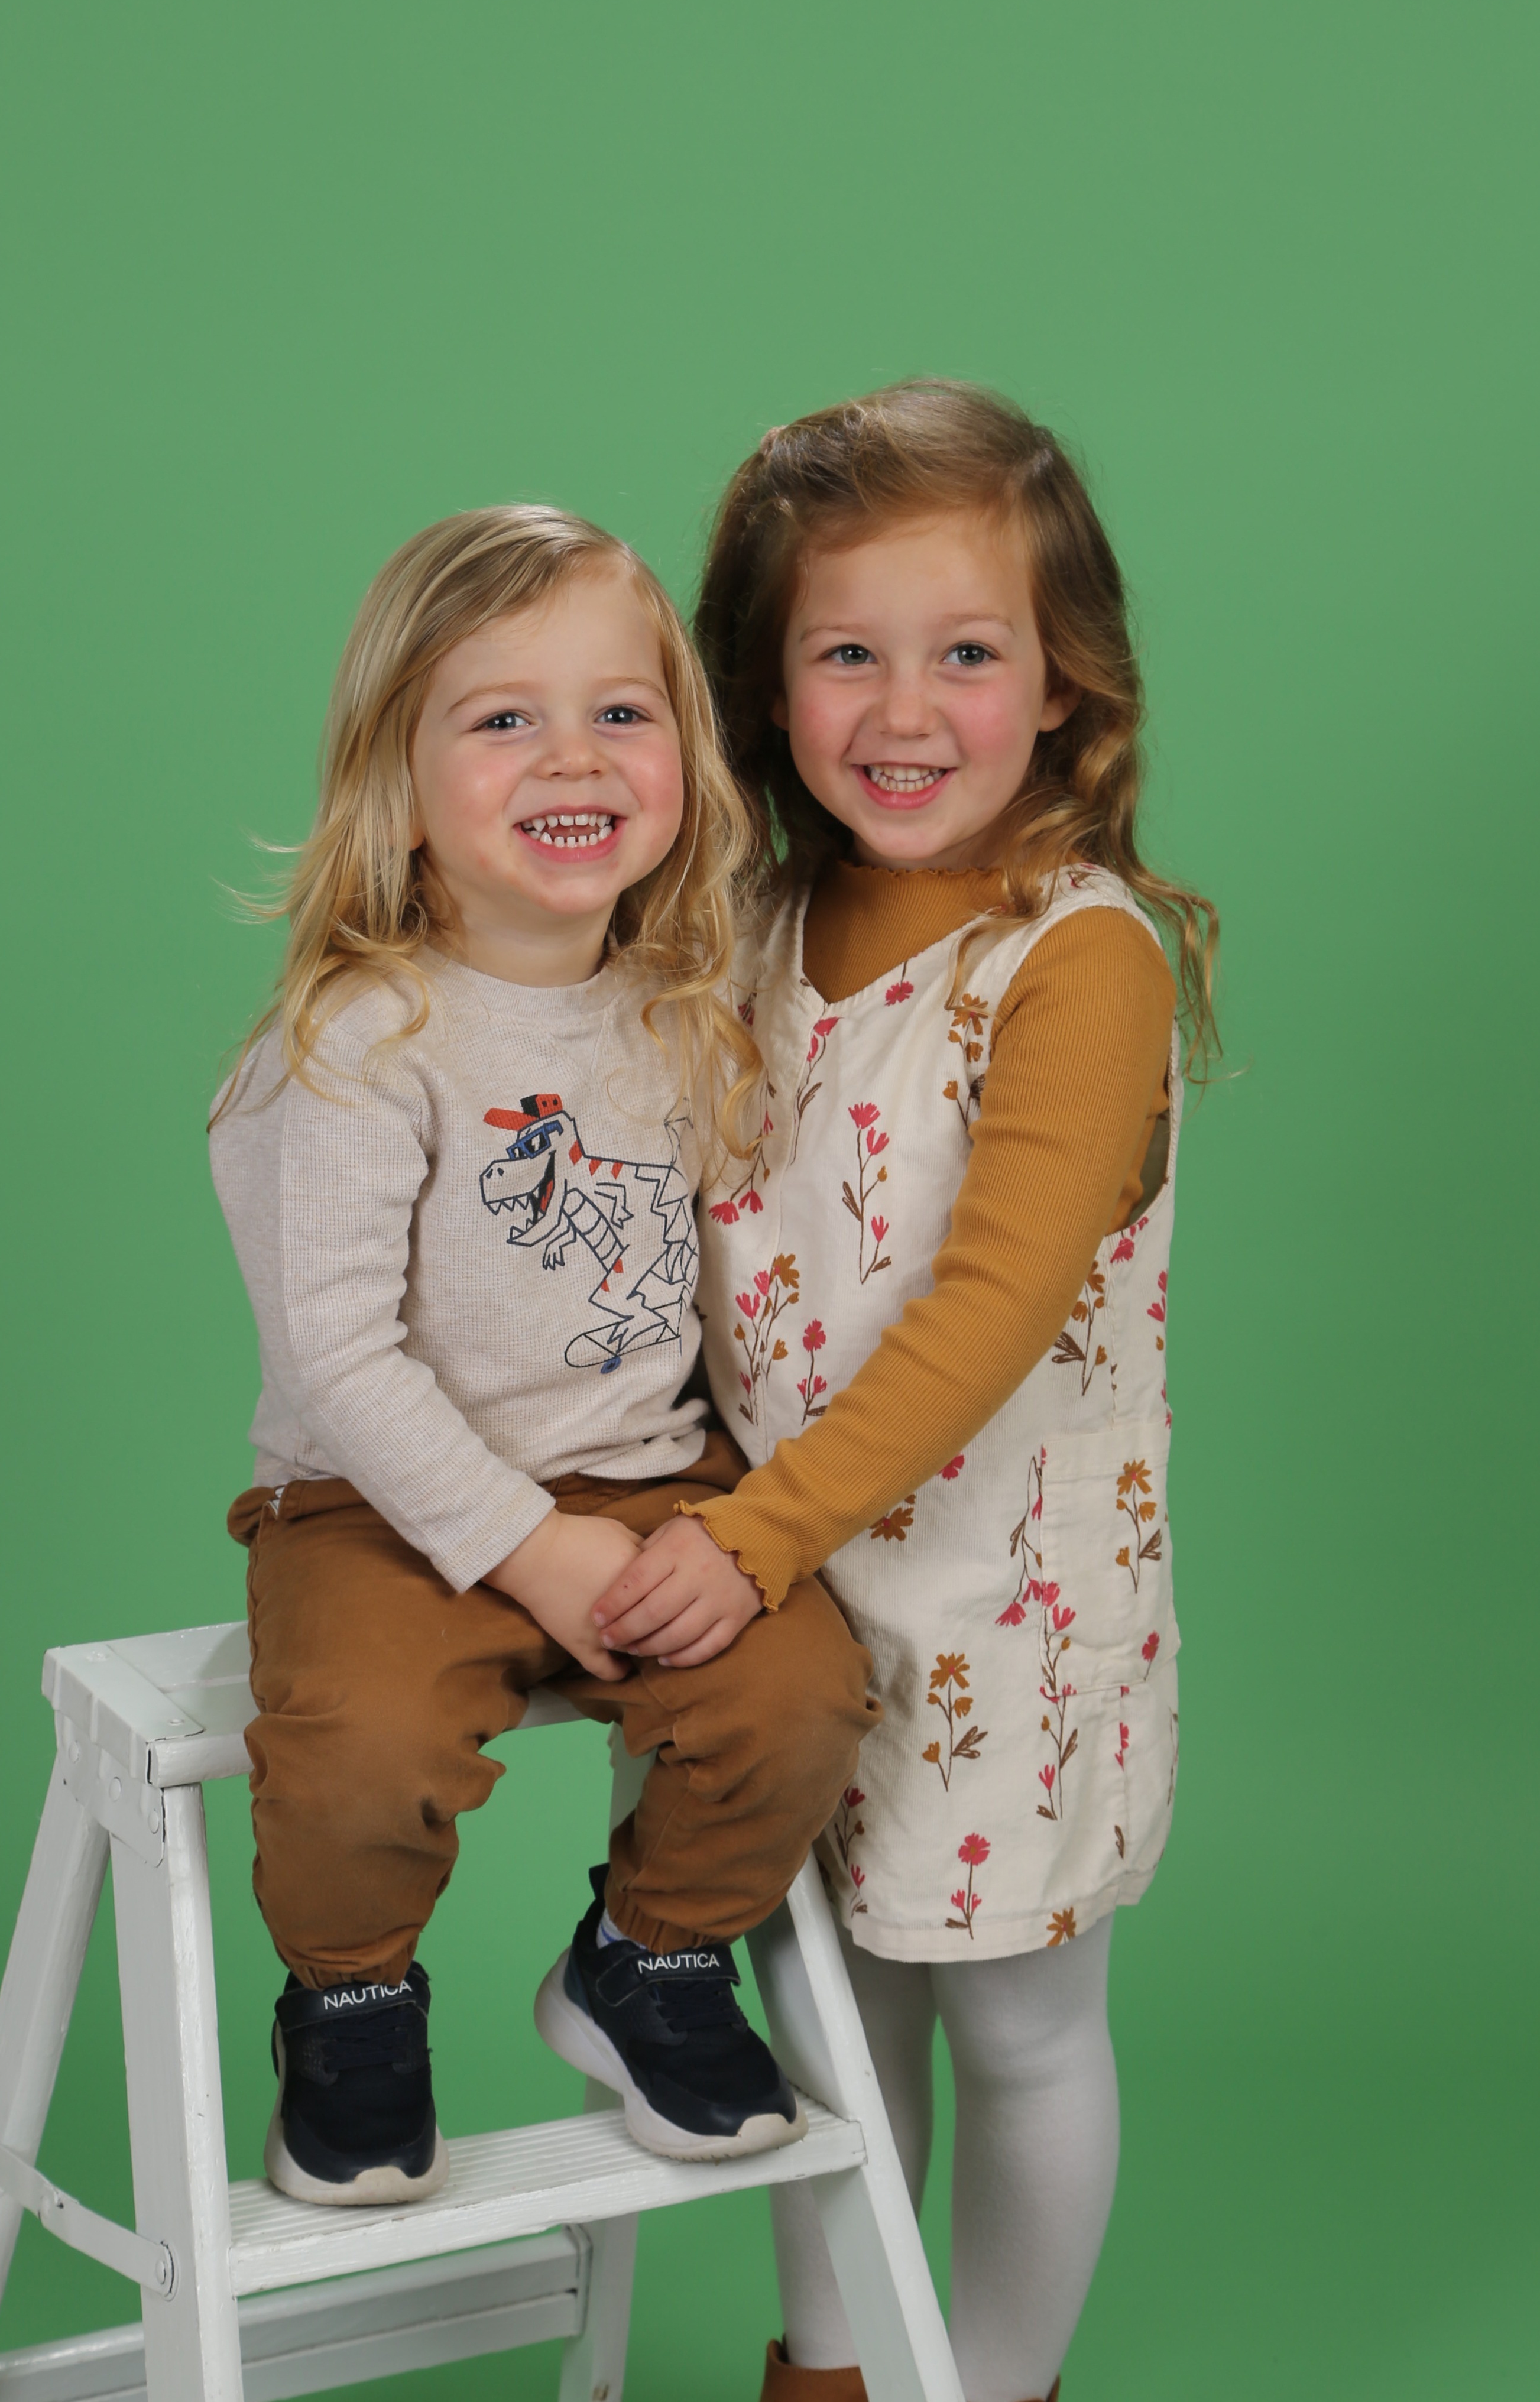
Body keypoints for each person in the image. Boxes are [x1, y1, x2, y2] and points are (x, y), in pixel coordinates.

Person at [593, 384, 1217, 2402]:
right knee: (819, 2017)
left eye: (965, 653)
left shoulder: (1074, 960)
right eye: (844, 653)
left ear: (1063, 681)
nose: (903, 709)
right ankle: (834, 2372)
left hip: (999, 1607)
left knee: (1017, 2030)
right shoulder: (751, 927)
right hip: (780, 1608)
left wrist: (746, 1536)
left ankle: (1001, 2385)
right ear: (764, 687)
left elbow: (985, 1310)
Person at [209, 505, 879, 2206]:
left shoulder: (684, 1004)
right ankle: (351, 2004)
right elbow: (339, 1358)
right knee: (360, 1744)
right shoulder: (360, 1039)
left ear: (683, 766)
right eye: (503, 717)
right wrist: (523, 1542)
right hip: (382, 1501)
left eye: (619, 711)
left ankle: (647, 1956)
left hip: (647, 1479)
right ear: (398, 784)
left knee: (801, 1697)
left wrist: (701, 1525)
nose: (571, 755)